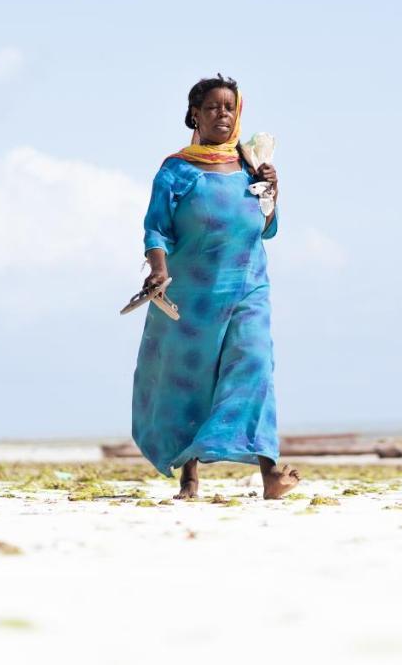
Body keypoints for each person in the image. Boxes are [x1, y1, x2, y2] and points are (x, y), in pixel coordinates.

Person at [131, 75, 299, 500]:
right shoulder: (177, 170)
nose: (222, 114)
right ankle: (190, 475)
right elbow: (156, 228)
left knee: (256, 367)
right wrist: (157, 269)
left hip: (248, 287)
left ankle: (269, 473)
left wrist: (271, 193)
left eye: (229, 107)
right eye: (212, 108)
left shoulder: (249, 165)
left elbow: (267, 230)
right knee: (192, 381)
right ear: (195, 115)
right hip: (192, 294)